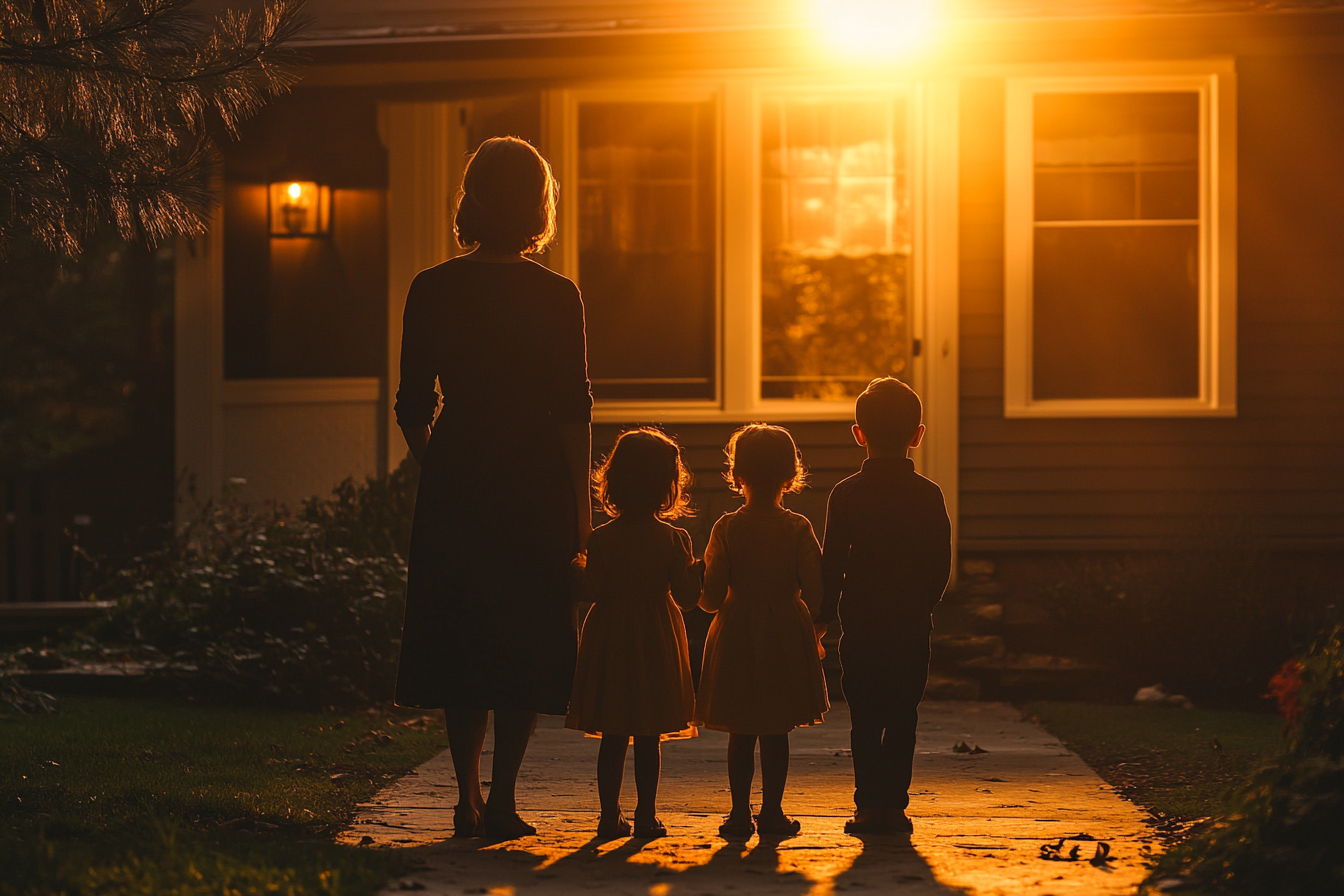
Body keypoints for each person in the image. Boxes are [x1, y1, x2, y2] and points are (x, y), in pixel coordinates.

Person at [392, 137, 593, 841]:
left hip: (461, 477)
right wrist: (581, 512)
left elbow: (412, 407)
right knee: (524, 639)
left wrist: (442, 465)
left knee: (464, 638)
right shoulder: (557, 296)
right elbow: (575, 413)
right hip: (533, 480)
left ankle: (467, 796)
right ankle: (503, 798)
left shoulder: (433, 287)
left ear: (470, 199)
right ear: (539, 204)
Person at [816, 378, 952, 835]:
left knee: (864, 717)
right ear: (918, 434)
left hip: (861, 622)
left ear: (859, 433)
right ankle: (894, 806)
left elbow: (832, 563)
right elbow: (940, 564)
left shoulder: (846, 493)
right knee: (902, 714)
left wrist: (822, 615)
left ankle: (866, 806)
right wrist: (922, 604)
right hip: (911, 623)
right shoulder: (929, 495)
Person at [695, 424, 830, 839]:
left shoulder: (727, 528)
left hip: (736, 631)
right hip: (785, 631)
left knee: (741, 728)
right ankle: (772, 811)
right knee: (776, 729)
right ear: (791, 475)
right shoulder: (798, 527)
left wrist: (696, 582)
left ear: (736, 475)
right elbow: (817, 590)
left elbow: (711, 599)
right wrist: (815, 632)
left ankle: (738, 813)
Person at [566, 428, 701, 841]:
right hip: (657, 637)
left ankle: (609, 816)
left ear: (614, 481)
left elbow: (591, 591)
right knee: (648, 733)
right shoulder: (674, 538)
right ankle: (646, 815)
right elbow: (687, 597)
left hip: (611, 636)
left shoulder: (602, 539)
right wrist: (700, 570)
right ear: (667, 485)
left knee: (613, 732)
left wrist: (575, 567)